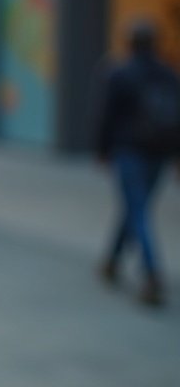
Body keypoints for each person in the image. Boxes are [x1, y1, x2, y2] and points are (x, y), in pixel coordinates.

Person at [95, 18, 180, 307]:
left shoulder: (120, 73)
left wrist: (102, 150)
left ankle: (152, 272)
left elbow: (106, 116)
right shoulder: (169, 74)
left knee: (138, 208)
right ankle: (112, 261)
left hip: (130, 150)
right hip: (159, 153)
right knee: (136, 206)